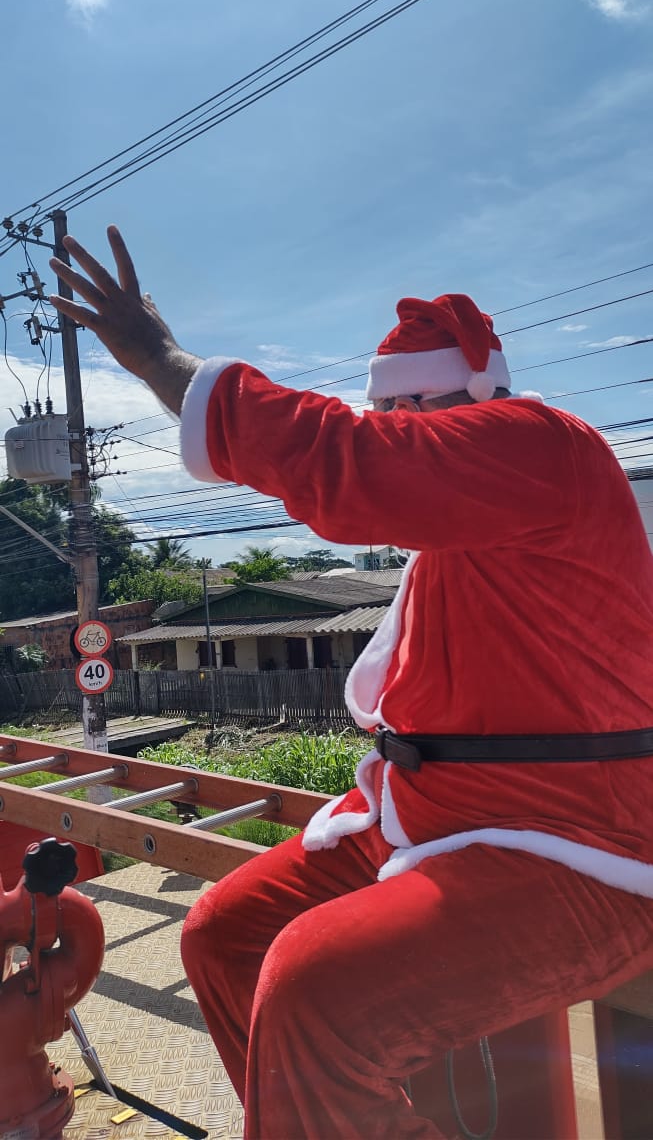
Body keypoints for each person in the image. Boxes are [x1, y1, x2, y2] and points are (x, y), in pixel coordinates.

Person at [50, 228, 653, 1140]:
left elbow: (348, 464)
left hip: (576, 836)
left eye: (432, 404)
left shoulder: (543, 449)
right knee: (223, 936)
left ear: (486, 396)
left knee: (317, 982)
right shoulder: (458, 526)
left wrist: (159, 360)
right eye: (393, 409)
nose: (410, 425)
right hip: (426, 812)